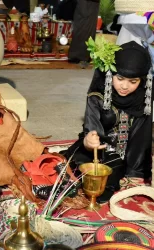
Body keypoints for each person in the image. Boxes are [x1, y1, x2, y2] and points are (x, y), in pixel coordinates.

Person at [63, 41, 153, 203]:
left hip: (131, 154)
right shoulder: (97, 96)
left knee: (114, 174)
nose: (125, 86)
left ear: (142, 81)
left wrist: (135, 169)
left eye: (133, 82)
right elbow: (91, 130)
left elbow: (143, 137)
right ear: (110, 74)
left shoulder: (143, 98)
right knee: (77, 166)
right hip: (102, 151)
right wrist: (89, 140)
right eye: (120, 78)